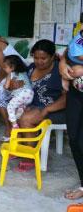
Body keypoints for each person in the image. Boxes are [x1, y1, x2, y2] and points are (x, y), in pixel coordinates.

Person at [16, 40, 66, 171]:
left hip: (55, 109)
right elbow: (23, 84)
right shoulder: (32, 67)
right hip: (33, 105)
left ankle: (31, 156)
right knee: (14, 110)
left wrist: (47, 109)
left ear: (52, 56)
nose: (39, 61)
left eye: (43, 58)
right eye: (36, 57)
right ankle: (23, 145)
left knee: (26, 119)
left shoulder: (59, 70)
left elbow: (67, 98)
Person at [59, 38, 83, 200]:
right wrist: (62, 64)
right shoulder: (78, 38)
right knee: (74, 137)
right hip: (77, 93)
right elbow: (67, 53)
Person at [3, 55, 34, 129]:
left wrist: (4, 86)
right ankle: (19, 121)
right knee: (19, 110)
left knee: (10, 107)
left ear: (12, 67)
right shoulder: (23, 72)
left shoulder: (10, 74)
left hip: (22, 94)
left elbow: (6, 86)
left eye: (5, 67)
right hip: (30, 94)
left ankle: (14, 125)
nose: (3, 68)